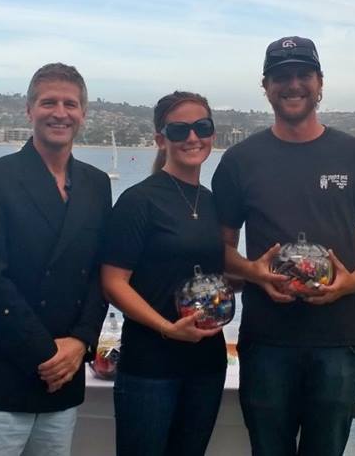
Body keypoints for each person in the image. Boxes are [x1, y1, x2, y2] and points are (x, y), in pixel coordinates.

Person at [211, 36, 355, 456]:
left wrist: (352, 282)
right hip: (266, 339)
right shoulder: (240, 160)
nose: (293, 84)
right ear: (265, 86)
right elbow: (220, 249)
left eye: (303, 74)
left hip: (339, 337)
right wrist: (253, 272)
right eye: (281, 76)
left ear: (320, 83)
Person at [0, 63, 112, 456]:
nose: (60, 113)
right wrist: (47, 354)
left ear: (83, 113)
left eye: (70, 104)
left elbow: (99, 271)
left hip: (64, 376)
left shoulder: (96, 184)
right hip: (0, 373)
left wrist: (81, 342)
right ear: (29, 111)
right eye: (48, 103)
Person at [101, 91, 228, 456]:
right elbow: (112, 282)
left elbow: (215, 275)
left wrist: (261, 275)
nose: (192, 137)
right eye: (179, 130)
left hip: (207, 364)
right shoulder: (139, 200)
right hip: (151, 364)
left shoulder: (212, 202)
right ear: (161, 139)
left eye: (202, 127)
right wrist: (167, 328)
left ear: (212, 134)